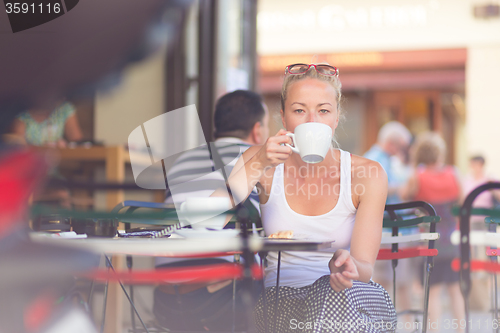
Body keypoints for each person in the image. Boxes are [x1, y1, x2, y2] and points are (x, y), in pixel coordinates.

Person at [223, 64, 396, 332]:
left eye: (324, 111)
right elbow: (209, 213)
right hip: (282, 303)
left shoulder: (367, 174)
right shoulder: (262, 163)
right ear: (283, 117)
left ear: (336, 118)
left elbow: (364, 267)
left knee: (330, 292)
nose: (312, 122)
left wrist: (349, 268)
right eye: (299, 110)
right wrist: (257, 162)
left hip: (350, 298)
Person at [153, 90, 269, 331]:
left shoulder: (180, 162)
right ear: (257, 130)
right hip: (223, 300)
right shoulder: (258, 162)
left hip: (165, 299)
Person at [401, 132, 464, 332]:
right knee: (456, 290)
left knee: (433, 292)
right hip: (452, 241)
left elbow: (404, 199)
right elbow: (462, 202)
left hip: (429, 242)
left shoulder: (416, 176)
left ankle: (433, 330)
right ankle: (461, 329)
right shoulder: (454, 174)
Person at [363, 121, 417, 323]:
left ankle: (398, 322)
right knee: (393, 280)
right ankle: (396, 323)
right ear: (393, 144)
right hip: (387, 230)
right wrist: (403, 187)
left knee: (394, 280)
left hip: (390, 229)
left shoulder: (381, 159)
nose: (403, 151)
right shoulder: (375, 160)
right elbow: (378, 190)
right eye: (402, 146)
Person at [11, 101, 83, 147]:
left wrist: (64, 146)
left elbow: (78, 146)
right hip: (30, 168)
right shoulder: (21, 114)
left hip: (58, 167)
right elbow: (17, 149)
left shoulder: (64, 109)